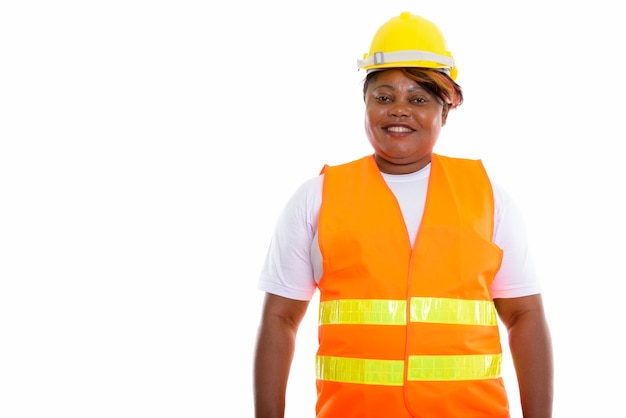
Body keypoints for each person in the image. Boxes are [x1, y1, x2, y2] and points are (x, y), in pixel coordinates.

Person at [253, 11, 553, 418]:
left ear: (445, 111)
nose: (398, 110)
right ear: (365, 103)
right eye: (384, 96)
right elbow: (281, 320)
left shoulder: (488, 198)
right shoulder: (317, 197)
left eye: (418, 99)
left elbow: (524, 316)